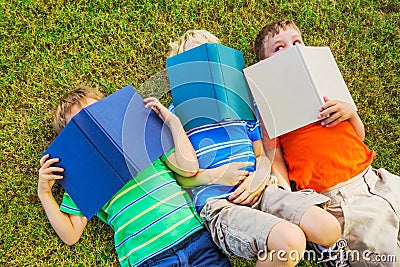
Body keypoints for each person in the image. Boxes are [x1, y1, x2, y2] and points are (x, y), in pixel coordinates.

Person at [167, 30, 344, 267]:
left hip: (261, 190)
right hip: (219, 203)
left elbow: (261, 155)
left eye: (210, 51)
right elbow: (176, 177)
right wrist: (213, 176)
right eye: (194, 55)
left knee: (329, 228)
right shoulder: (175, 113)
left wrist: (259, 179)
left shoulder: (242, 101)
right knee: (290, 243)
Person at [254, 20, 400, 266]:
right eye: (279, 48)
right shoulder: (270, 107)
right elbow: (275, 158)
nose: (291, 49)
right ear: (263, 65)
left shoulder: (324, 85)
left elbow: (357, 136)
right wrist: (287, 199)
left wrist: (350, 112)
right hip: (341, 201)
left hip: (377, 180)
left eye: (296, 42)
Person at [38, 86, 232, 267]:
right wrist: (45, 194)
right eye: (80, 125)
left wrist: (174, 122)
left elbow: (189, 168)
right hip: (150, 258)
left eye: (94, 113)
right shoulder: (82, 177)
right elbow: (71, 234)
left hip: (196, 239)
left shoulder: (143, 137)